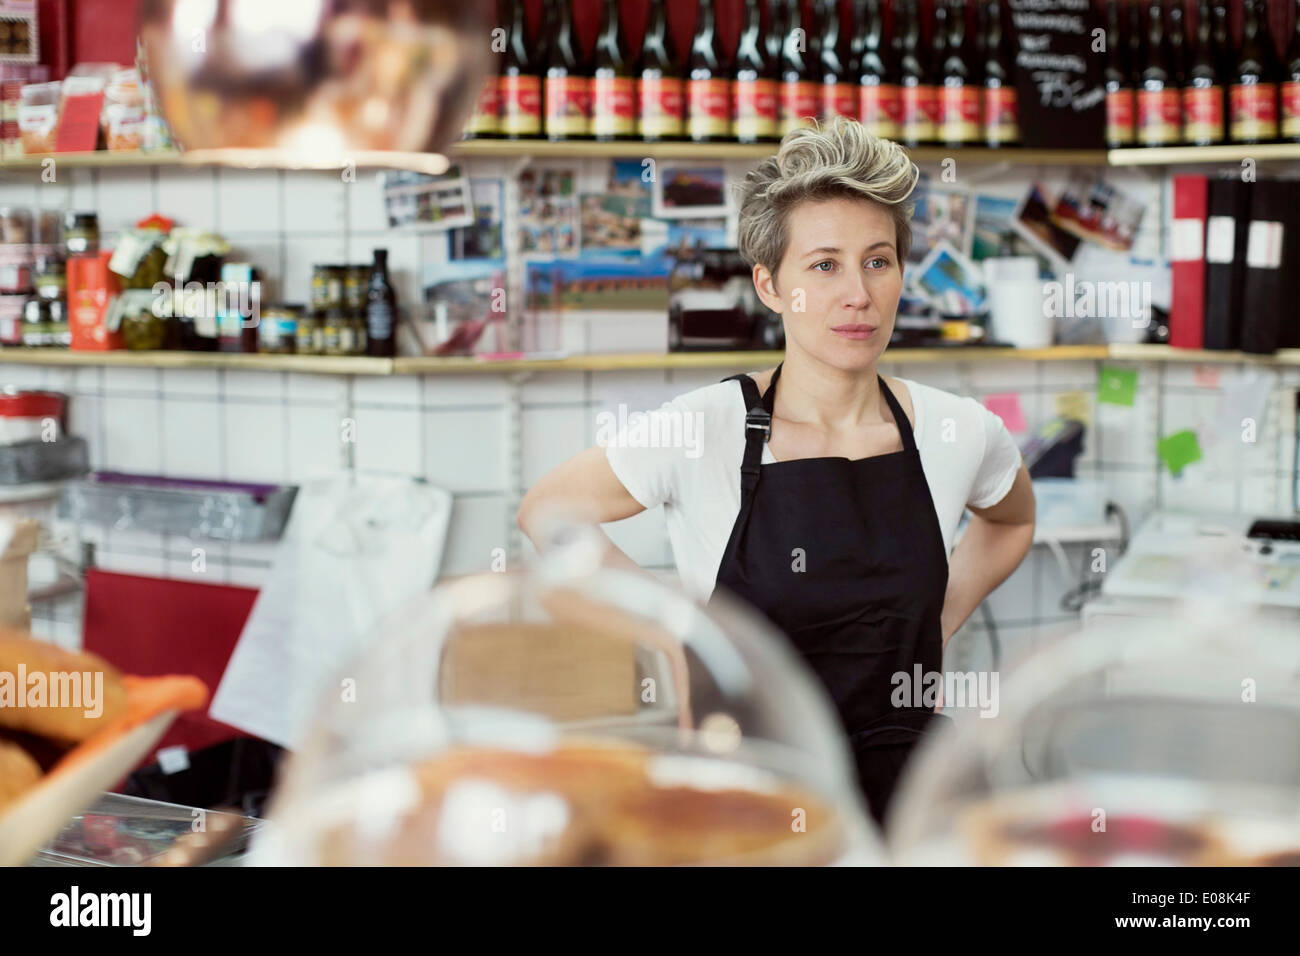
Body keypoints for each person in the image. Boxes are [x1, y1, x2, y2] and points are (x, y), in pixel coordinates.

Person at [518, 117, 1035, 827]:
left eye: (877, 261)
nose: (857, 293)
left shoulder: (957, 430)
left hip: (904, 794)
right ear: (769, 283)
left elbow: (1012, 520)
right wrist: (676, 636)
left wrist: (942, 618)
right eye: (824, 265)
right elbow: (549, 511)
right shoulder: (706, 426)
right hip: (749, 793)